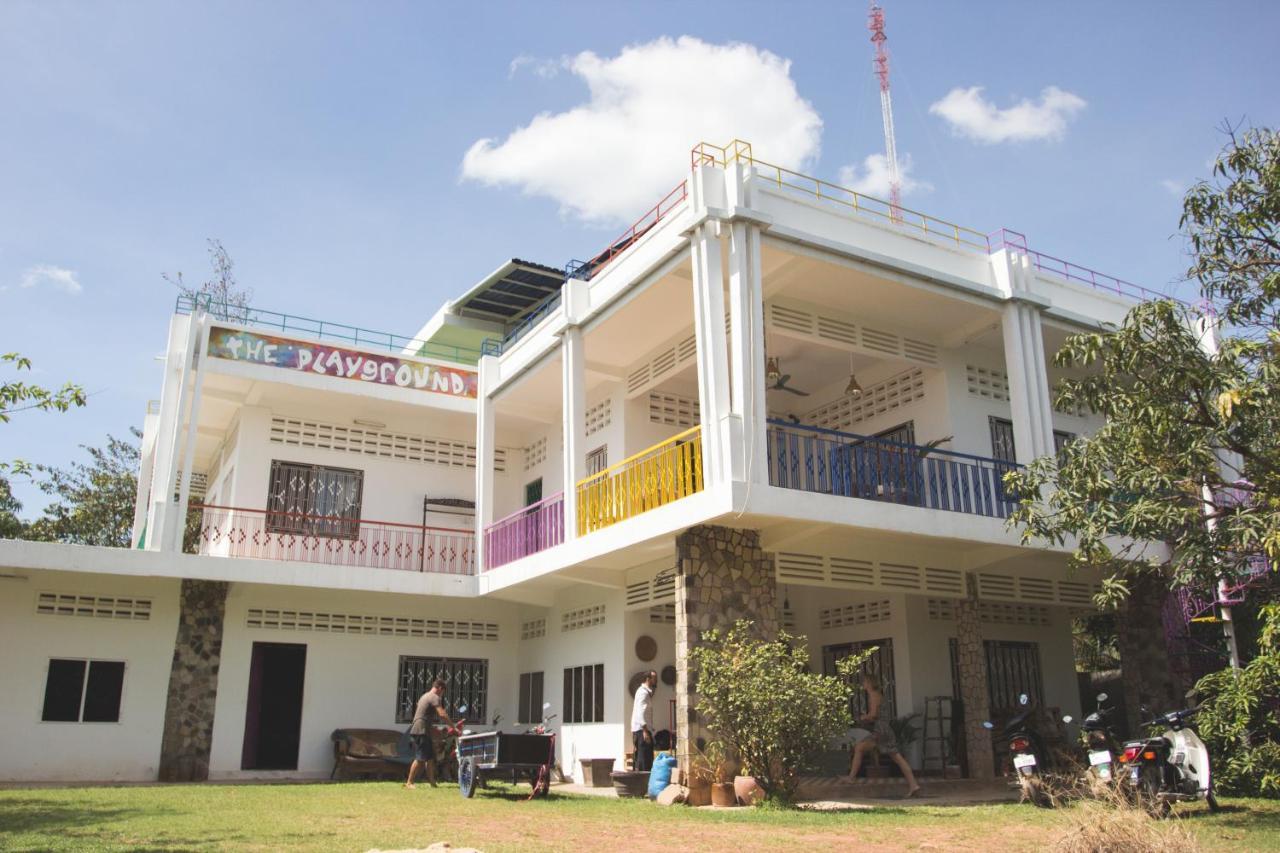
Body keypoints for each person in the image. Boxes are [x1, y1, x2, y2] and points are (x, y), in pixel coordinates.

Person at [846, 672, 921, 798]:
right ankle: (913, 785)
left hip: (881, 730)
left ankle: (851, 778)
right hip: (884, 729)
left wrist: (864, 717)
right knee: (896, 757)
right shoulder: (875, 695)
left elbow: (874, 715)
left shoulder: (874, 695)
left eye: (864, 682)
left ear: (869, 683)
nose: (863, 684)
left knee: (859, 748)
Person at [405, 679, 454, 789]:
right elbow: (442, 714)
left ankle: (432, 783)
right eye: (442, 692)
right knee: (420, 758)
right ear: (440, 688)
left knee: (430, 758)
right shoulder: (434, 697)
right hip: (421, 730)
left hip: (422, 729)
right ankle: (409, 782)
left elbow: (424, 715)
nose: (442, 695)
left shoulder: (424, 696)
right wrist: (453, 727)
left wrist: (435, 730)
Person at [630, 670, 657, 772]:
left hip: (642, 729)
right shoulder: (643, 693)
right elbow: (640, 711)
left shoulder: (644, 692)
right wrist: (645, 730)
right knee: (644, 760)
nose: (656, 681)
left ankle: (643, 783)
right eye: (654, 678)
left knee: (645, 758)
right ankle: (642, 784)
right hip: (642, 731)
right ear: (648, 679)